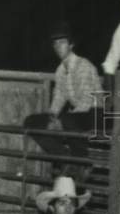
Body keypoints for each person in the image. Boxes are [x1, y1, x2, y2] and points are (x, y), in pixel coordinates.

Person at [22, 23, 103, 183]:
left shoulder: (83, 66)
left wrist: (60, 122)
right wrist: (52, 116)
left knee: (68, 119)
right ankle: (64, 159)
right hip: (76, 116)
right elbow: (59, 97)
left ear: (71, 44)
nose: (58, 47)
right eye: (55, 43)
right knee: (31, 122)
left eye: (62, 42)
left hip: (95, 113)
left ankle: (82, 163)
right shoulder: (60, 70)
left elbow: (87, 100)